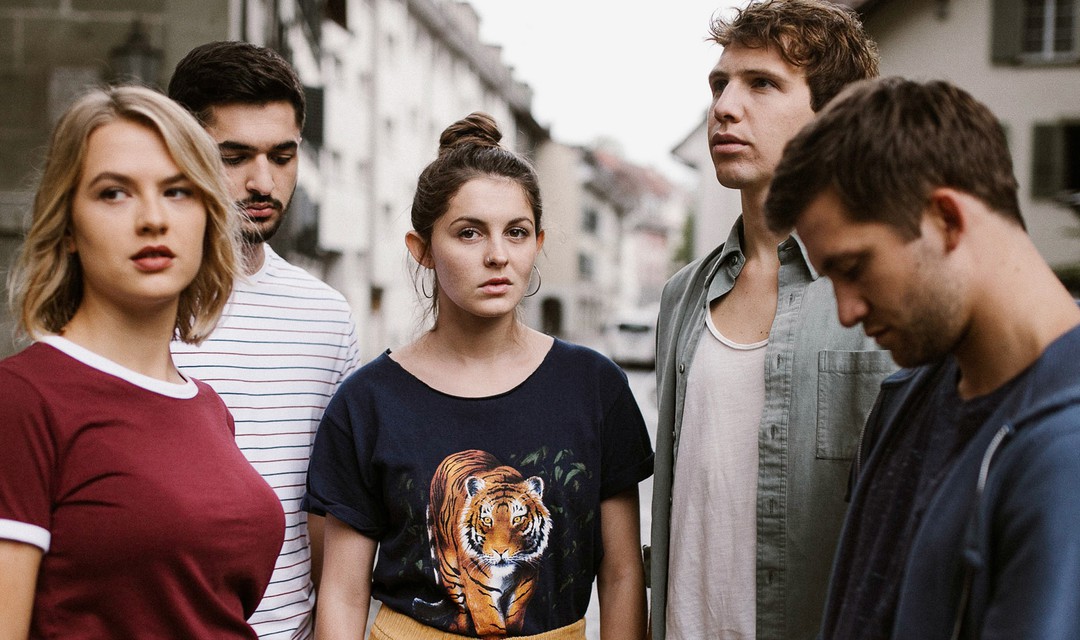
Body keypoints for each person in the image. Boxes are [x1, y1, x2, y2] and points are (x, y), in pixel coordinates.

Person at [304, 112, 654, 639]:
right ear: (421, 249)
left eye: (515, 232)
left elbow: (624, 575)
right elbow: (342, 592)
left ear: (537, 242)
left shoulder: (594, 387)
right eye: (469, 233)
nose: (497, 255)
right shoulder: (367, 402)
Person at [766, 76, 1080, 640]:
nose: (846, 311)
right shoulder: (904, 397)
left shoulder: (1065, 451)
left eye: (854, 267)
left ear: (947, 219)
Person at [0, 85, 285, 638]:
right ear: (67, 231)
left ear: (208, 216)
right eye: (114, 194)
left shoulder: (206, 407)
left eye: (179, 192)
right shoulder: (21, 401)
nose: (153, 218)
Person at [649, 2, 896, 639]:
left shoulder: (885, 291)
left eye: (762, 84)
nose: (725, 107)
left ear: (833, 119)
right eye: (719, 84)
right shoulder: (683, 294)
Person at [167, 41, 361, 639]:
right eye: (235, 156)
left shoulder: (326, 317)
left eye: (282, 156)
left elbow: (334, 510)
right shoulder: (142, 304)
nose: (263, 180)